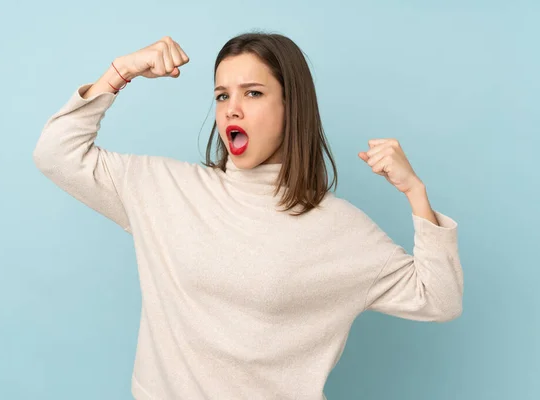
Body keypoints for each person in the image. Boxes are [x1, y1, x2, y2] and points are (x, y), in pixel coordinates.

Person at [33, 32, 463, 400]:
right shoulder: (164, 189)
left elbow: (438, 299)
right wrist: (119, 73)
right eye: (222, 95)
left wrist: (415, 192)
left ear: (291, 107)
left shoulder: (338, 227)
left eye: (252, 93)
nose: (231, 109)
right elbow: (56, 153)